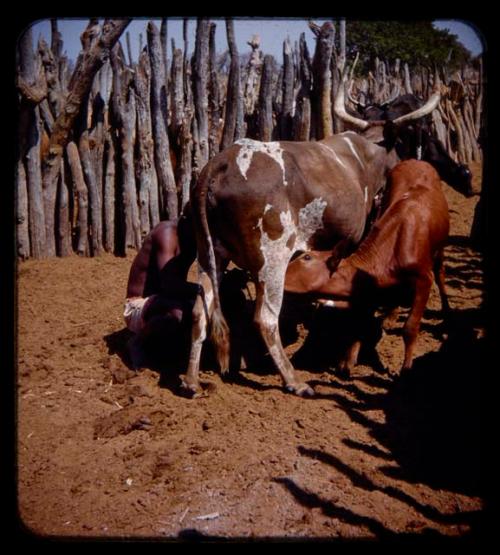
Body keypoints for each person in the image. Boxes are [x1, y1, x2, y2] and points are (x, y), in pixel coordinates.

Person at [123, 212, 197, 369]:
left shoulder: (191, 241)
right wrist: (202, 290)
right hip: (138, 306)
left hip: (168, 299)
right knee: (177, 313)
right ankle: (137, 342)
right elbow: (168, 284)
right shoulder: (167, 233)